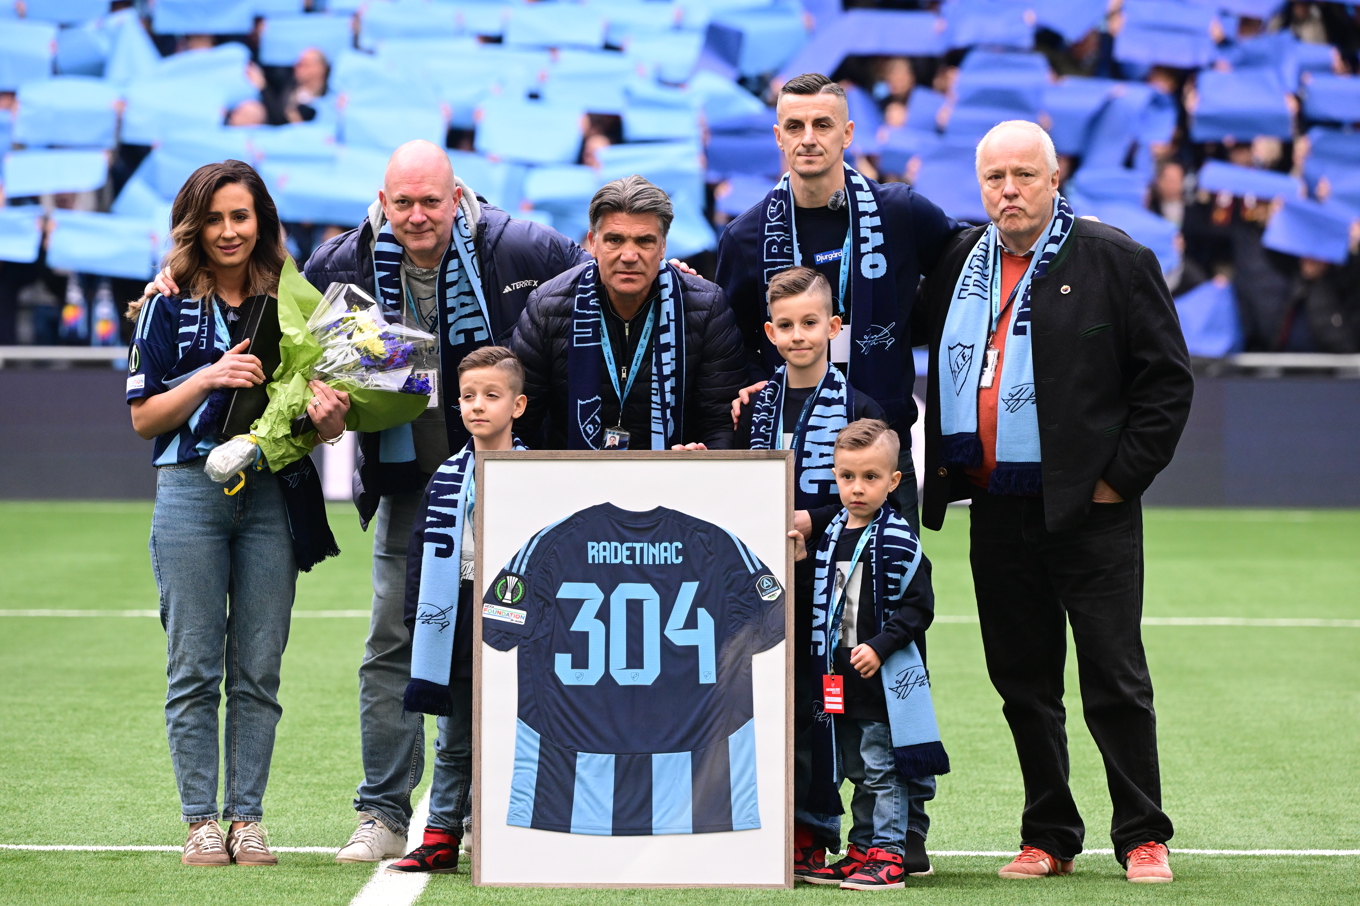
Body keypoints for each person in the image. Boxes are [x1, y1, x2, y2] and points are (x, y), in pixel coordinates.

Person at [914, 120, 1193, 883]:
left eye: (1023, 175)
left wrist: (1118, 479)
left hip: (1091, 510)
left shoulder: (1117, 259)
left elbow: (1166, 384)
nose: (1009, 189)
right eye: (995, 177)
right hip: (995, 508)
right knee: (1022, 683)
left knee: (1114, 676)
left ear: (1054, 175)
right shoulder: (955, 263)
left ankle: (1142, 834)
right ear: (980, 187)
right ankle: (1049, 835)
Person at [124, 160, 350, 866]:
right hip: (190, 491)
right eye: (215, 218)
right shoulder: (164, 305)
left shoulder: (296, 302)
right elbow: (142, 420)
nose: (229, 231)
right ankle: (199, 822)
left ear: (263, 222)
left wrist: (334, 418)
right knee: (194, 667)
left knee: (258, 668)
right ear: (196, 224)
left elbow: (326, 420)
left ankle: (246, 819)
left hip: (271, 493)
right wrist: (208, 377)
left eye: (241, 217)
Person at [715, 72, 960, 531]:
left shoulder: (900, 212)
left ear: (847, 133)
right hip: (783, 446)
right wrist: (751, 384)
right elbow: (731, 339)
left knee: (887, 593)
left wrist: (906, 323)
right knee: (784, 598)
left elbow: (965, 266)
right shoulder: (744, 235)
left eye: (822, 125)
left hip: (879, 449)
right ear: (778, 137)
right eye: (795, 127)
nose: (808, 139)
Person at [733, 266, 891, 878]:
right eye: (787, 326)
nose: (799, 336)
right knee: (771, 707)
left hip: (834, 589)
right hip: (764, 586)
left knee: (828, 712)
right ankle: (783, 827)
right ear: (770, 333)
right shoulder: (757, 403)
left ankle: (832, 833)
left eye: (811, 324)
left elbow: (878, 499)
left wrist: (812, 518)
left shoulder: (860, 409)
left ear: (835, 326)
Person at [386, 346, 528, 874]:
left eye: (492, 396)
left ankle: (517, 832)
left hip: (522, 617)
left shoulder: (541, 471)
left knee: (524, 730)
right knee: (456, 737)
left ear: (518, 405)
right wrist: (418, 622)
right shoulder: (445, 475)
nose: (477, 406)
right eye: (468, 396)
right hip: (459, 615)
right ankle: (442, 834)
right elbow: (420, 554)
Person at [789, 420, 946, 890]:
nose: (857, 488)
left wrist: (878, 648)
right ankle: (861, 848)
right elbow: (815, 603)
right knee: (854, 766)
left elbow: (919, 609)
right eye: (847, 477)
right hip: (836, 677)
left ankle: (889, 853)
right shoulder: (829, 535)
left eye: (871, 477)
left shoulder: (901, 539)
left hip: (880, 681)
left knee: (881, 767)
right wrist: (800, 564)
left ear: (894, 481)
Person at [511, 175, 745, 451]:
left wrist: (702, 461)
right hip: (573, 480)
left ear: (663, 247)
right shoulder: (547, 307)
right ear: (593, 243)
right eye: (615, 240)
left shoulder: (706, 308)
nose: (629, 255)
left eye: (644, 241)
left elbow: (720, 422)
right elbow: (520, 422)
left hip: (674, 480)